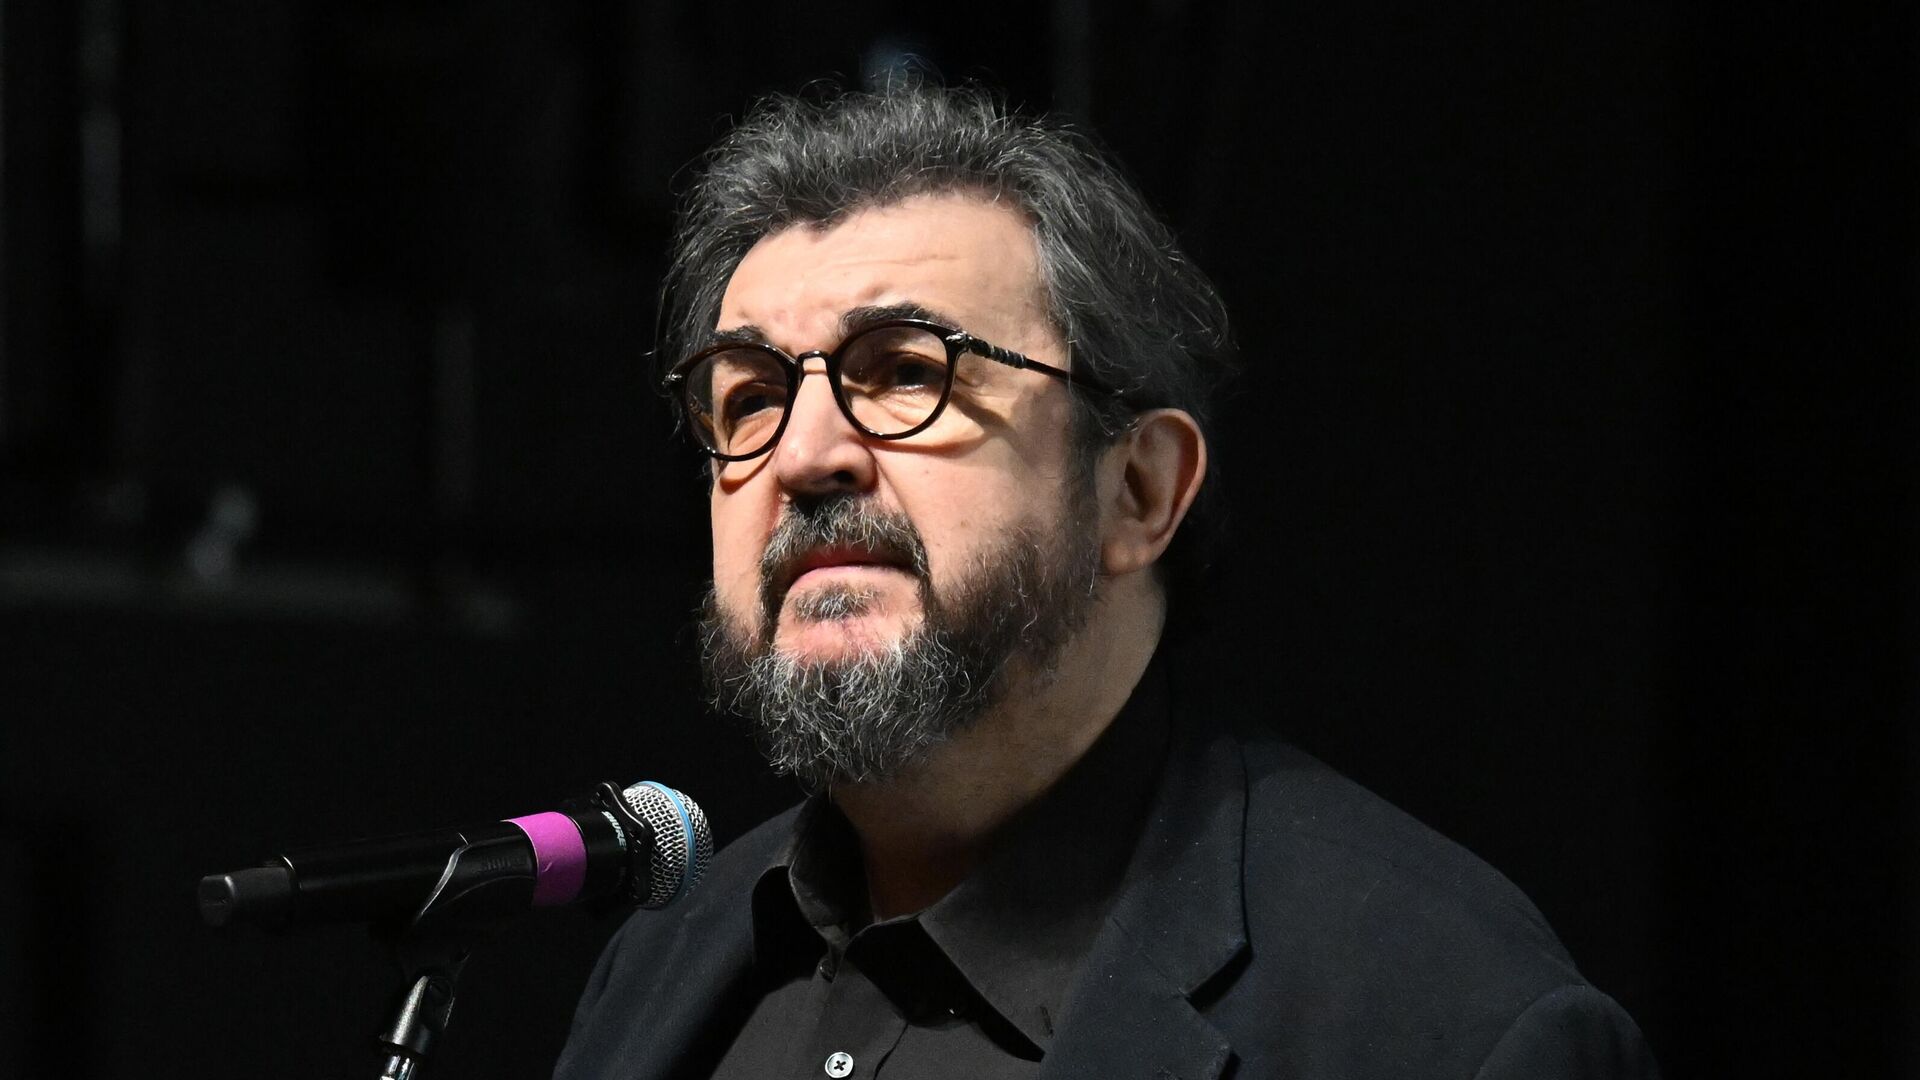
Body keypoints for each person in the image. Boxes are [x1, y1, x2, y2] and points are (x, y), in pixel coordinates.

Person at [554, 83, 1657, 1080]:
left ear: (1138, 491)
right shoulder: (663, 959)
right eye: (749, 396)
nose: (802, 455)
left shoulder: (1448, 1023)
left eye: (905, 373)